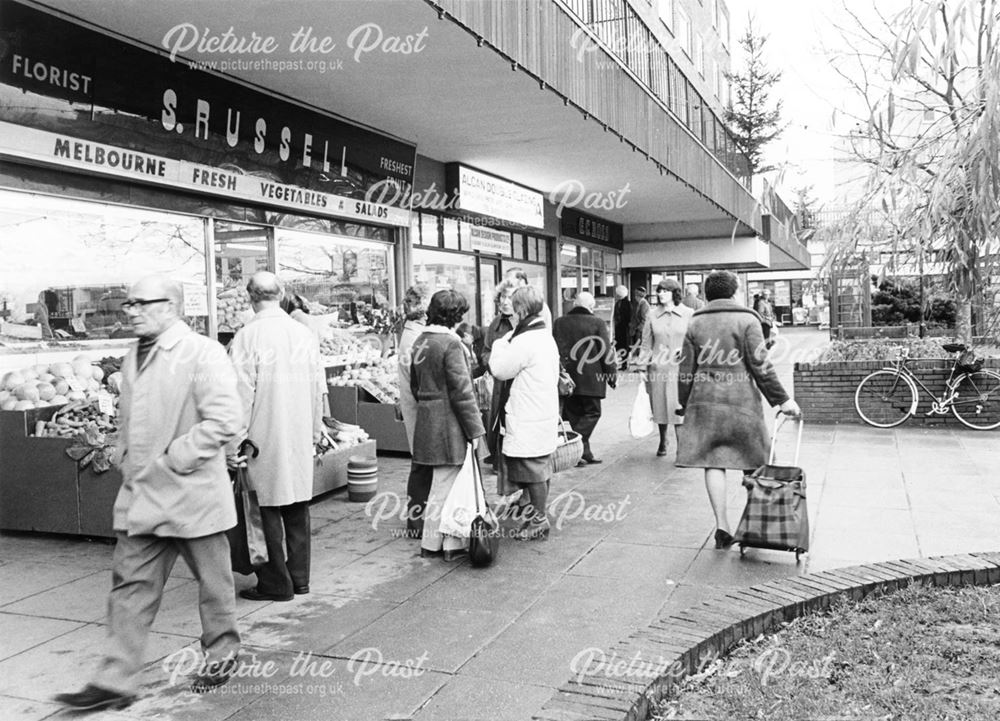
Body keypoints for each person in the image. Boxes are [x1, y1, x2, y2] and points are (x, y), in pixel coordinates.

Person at [54, 275, 244, 711]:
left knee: (214, 584)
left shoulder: (202, 352)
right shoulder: (133, 354)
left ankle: (222, 653)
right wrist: (124, 457)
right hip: (143, 496)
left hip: (191, 493)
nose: (131, 311)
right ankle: (115, 680)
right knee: (130, 586)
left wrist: (174, 459)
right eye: (128, 304)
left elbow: (225, 419)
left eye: (141, 303)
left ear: (171, 306)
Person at [675, 270, 801, 550]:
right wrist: (782, 400)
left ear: (707, 294)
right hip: (742, 401)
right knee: (754, 460)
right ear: (734, 293)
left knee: (713, 461)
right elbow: (761, 366)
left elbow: (686, 370)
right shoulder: (747, 319)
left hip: (705, 401)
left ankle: (722, 526)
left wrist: (683, 403)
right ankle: (755, 524)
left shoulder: (695, 322)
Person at [228, 273, 325, 602]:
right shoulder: (303, 334)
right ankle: (299, 578)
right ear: (281, 294)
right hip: (297, 431)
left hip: (262, 434)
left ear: (250, 297)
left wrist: (233, 442)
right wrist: (315, 428)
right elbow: (317, 386)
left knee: (264, 509)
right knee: (297, 504)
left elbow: (240, 395)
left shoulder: (246, 338)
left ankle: (274, 582)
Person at [409, 290, 486, 561]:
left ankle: (450, 543)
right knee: (445, 486)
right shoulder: (451, 344)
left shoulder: (420, 340)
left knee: (444, 483)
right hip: (449, 425)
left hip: (427, 422)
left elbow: (414, 386)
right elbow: (462, 392)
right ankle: (435, 544)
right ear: (455, 315)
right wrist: (475, 430)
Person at [489, 285, 560, 539]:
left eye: (514, 305)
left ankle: (539, 520)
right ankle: (534, 517)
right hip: (542, 410)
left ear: (521, 309)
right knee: (540, 467)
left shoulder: (525, 340)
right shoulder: (544, 335)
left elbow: (500, 369)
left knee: (533, 469)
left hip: (529, 413)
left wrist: (499, 344)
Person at [552, 291, 617, 466]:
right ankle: (574, 444)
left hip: (567, 378)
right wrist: (611, 375)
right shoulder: (597, 323)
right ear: (591, 306)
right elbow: (605, 351)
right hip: (591, 379)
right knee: (593, 412)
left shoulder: (559, 323)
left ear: (574, 304)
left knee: (573, 415)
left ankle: (582, 453)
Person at [639, 279, 694, 457]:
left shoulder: (689, 313)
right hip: (659, 368)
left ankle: (682, 448)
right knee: (660, 405)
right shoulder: (652, 315)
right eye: (659, 291)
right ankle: (663, 440)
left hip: (681, 369)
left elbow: (696, 340)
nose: (661, 294)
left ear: (675, 293)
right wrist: (642, 367)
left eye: (665, 291)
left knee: (679, 406)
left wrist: (686, 350)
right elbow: (646, 343)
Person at [397, 284, 431, 539]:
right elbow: (419, 382)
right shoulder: (414, 338)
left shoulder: (414, 334)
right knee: (421, 467)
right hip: (420, 412)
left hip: (416, 409)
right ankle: (416, 522)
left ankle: (417, 520)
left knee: (421, 466)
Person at [482, 281, 517, 472]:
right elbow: (485, 352)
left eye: (510, 297)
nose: (505, 301)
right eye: (503, 297)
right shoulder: (495, 323)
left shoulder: (523, 322)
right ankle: (498, 461)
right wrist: (494, 362)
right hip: (499, 381)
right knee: (498, 420)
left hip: (519, 382)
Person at [612, 285, 632, 371]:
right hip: (621, 328)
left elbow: (628, 317)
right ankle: (623, 363)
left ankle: (624, 364)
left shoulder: (625, 303)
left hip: (623, 328)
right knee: (622, 346)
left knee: (624, 346)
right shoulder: (623, 303)